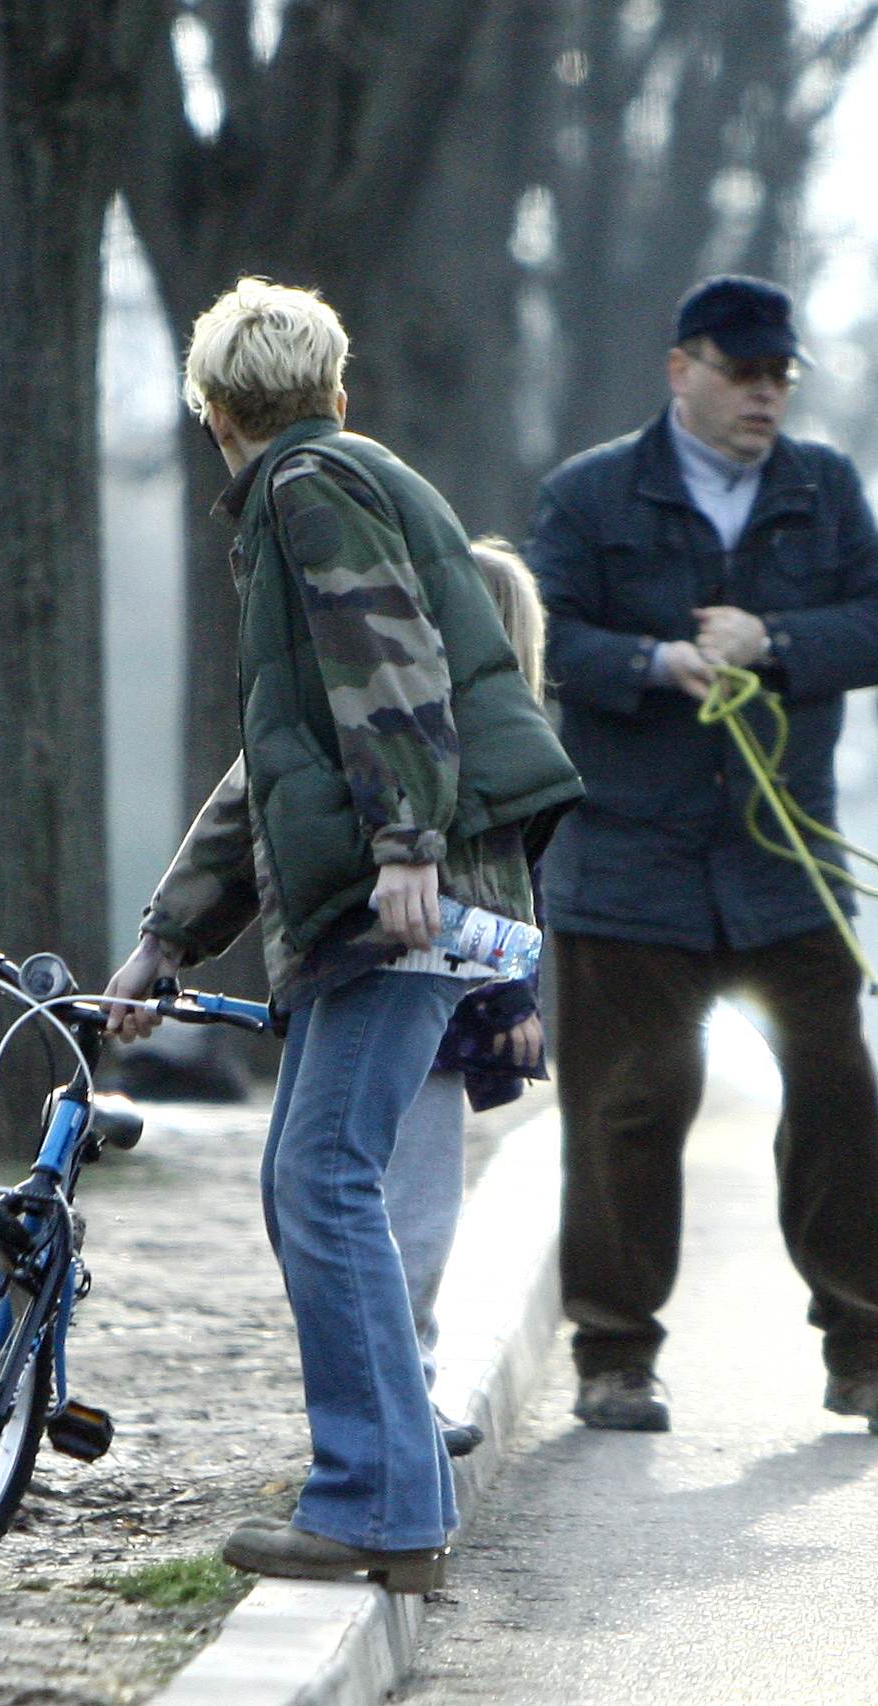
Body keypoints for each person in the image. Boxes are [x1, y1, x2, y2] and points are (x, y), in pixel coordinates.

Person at [106, 279, 581, 1589]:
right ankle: (388, 1488)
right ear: (330, 385)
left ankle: (378, 1499)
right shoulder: (326, 485)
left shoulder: (311, 490)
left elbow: (394, 675)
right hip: (393, 885)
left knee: (322, 1182)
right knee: (308, 1182)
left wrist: (407, 846)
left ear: (213, 410)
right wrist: (168, 936)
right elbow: (278, 763)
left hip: (408, 895)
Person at [527, 273, 878, 1439]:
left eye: (779, 378)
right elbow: (539, 632)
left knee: (838, 1093)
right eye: (741, 373)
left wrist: (780, 641)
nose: (764, 396)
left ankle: (870, 1357)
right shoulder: (589, 492)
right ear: (681, 371)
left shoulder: (826, 488)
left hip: (782, 859)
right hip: (626, 864)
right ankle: (614, 1356)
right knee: (629, 1107)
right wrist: (654, 665)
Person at [386, 536, 554, 1461]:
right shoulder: (483, 749)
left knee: (365, 1211)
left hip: (380, 995)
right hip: (430, 1008)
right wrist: (509, 1007)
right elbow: (505, 897)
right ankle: (403, 1396)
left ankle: (400, 1389)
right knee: (412, 1220)